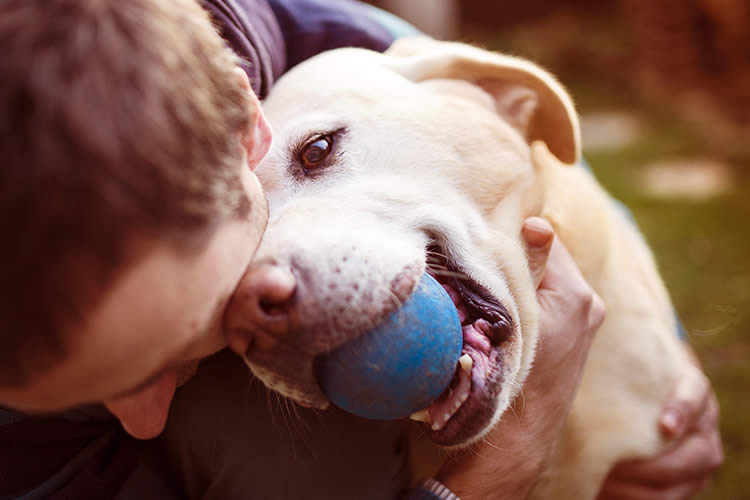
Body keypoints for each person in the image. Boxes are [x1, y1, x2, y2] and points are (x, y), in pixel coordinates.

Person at [0, 0, 721, 498]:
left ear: (245, 128)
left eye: (314, 155)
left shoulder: (346, 45)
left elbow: (514, 145)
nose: (144, 418)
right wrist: (498, 470)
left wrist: (665, 353)